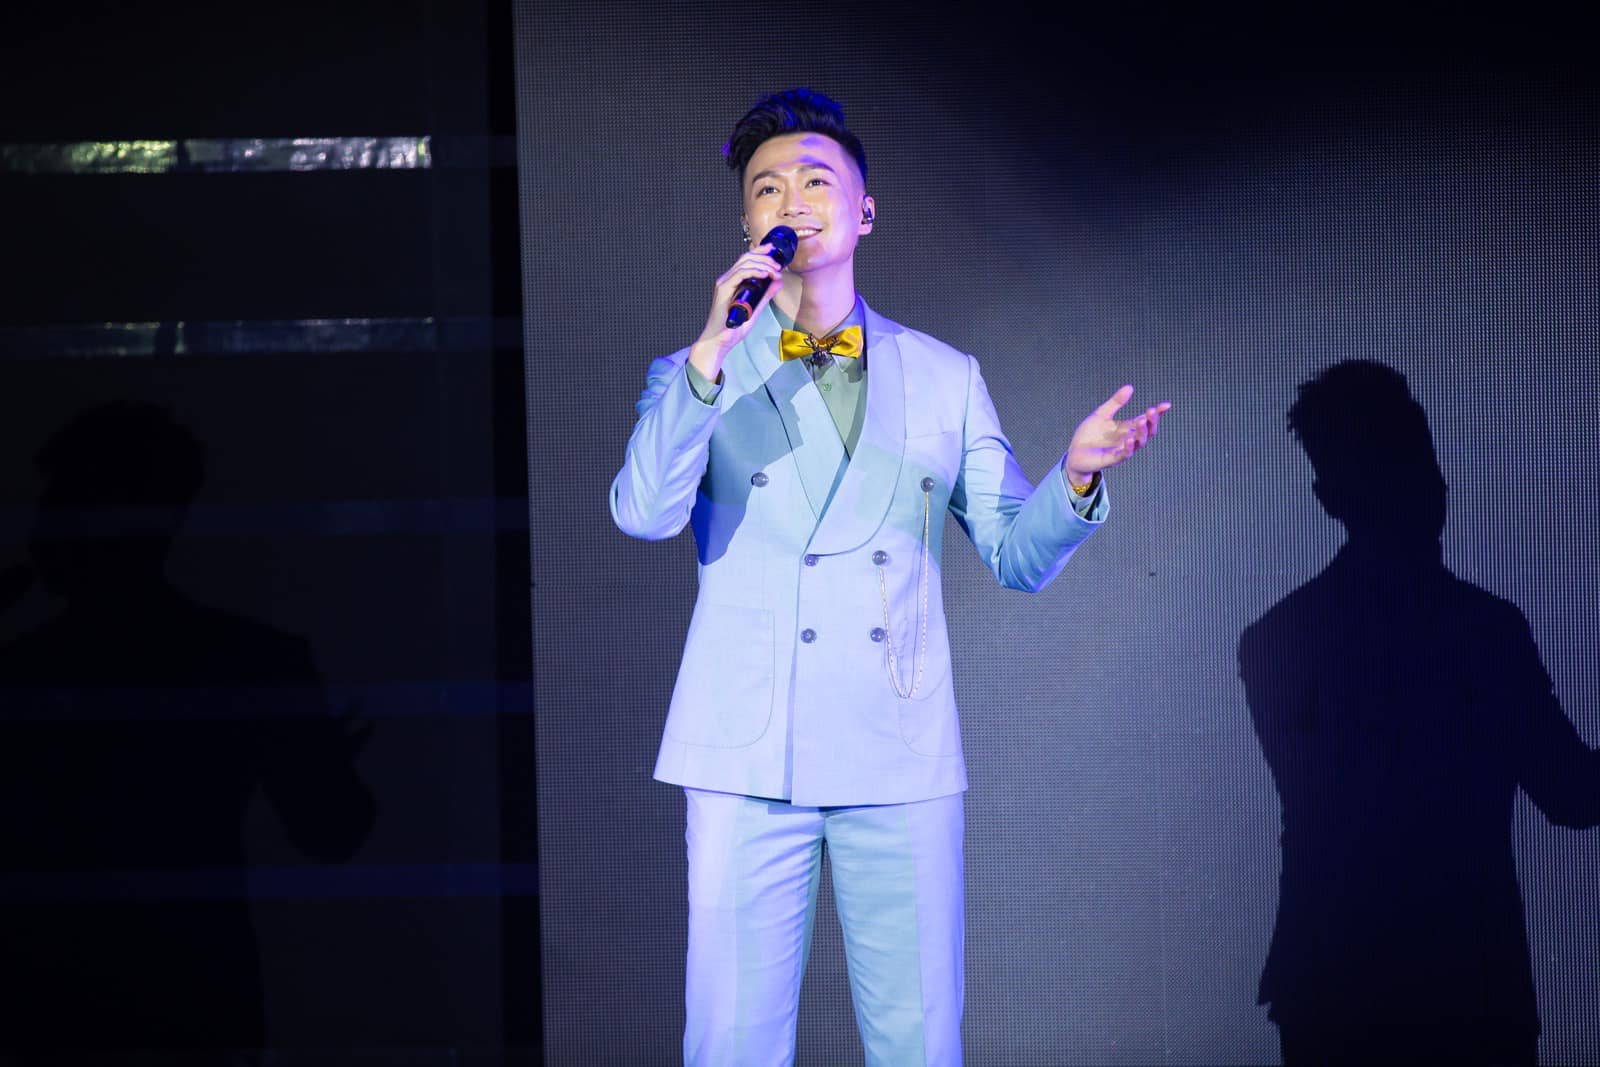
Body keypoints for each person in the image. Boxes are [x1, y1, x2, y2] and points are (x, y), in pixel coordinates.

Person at [610, 88, 1169, 1067]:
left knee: (918, 1039)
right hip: (747, 755)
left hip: (897, 753)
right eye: (767, 188)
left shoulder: (945, 376)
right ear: (746, 224)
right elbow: (643, 510)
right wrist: (710, 352)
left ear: (864, 210)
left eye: (815, 180)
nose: (791, 199)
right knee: (731, 1040)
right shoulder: (695, 371)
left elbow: (1014, 552)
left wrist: (1075, 477)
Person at [1239, 361, 1600, 1066]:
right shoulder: (1483, 630)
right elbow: (1571, 793)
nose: (1432, 483)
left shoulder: (1277, 639)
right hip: (1468, 985)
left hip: (1331, 984)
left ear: (1328, 497)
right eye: (1413, 461)